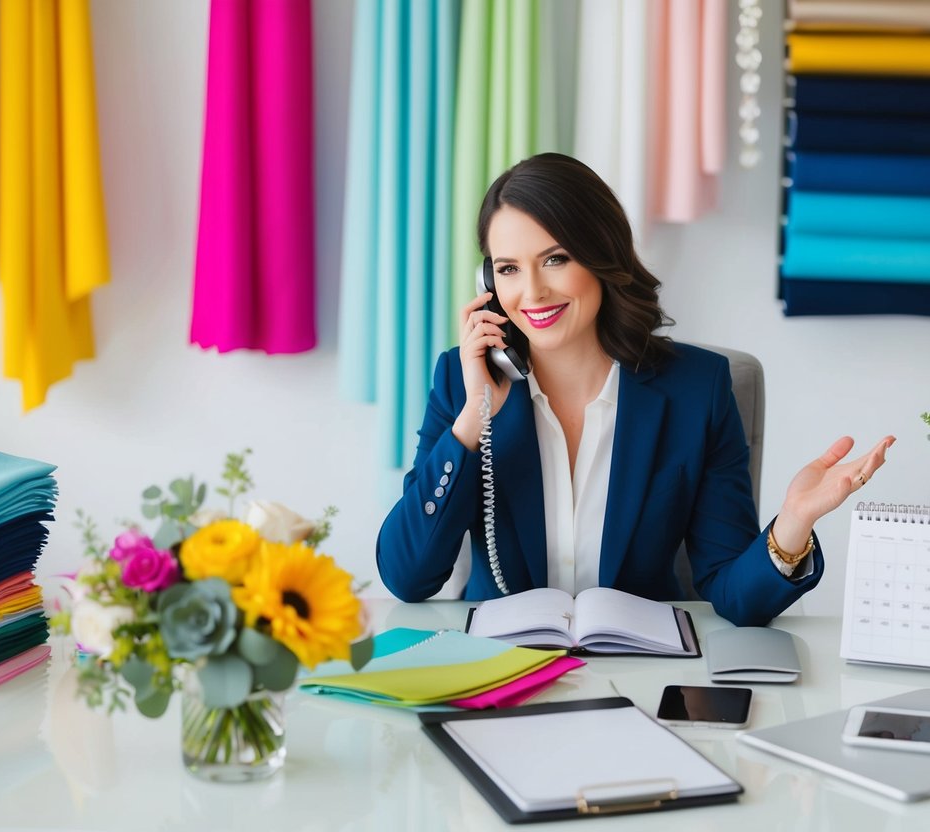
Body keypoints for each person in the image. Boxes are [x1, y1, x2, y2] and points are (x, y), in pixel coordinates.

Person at [377, 153, 893, 626]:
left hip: (640, 673)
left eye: (555, 259)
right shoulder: (461, 378)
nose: (531, 291)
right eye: (509, 269)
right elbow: (408, 577)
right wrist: (472, 419)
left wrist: (794, 523)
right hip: (501, 677)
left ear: (602, 257)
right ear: (488, 283)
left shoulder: (699, 390)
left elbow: (735, 594)